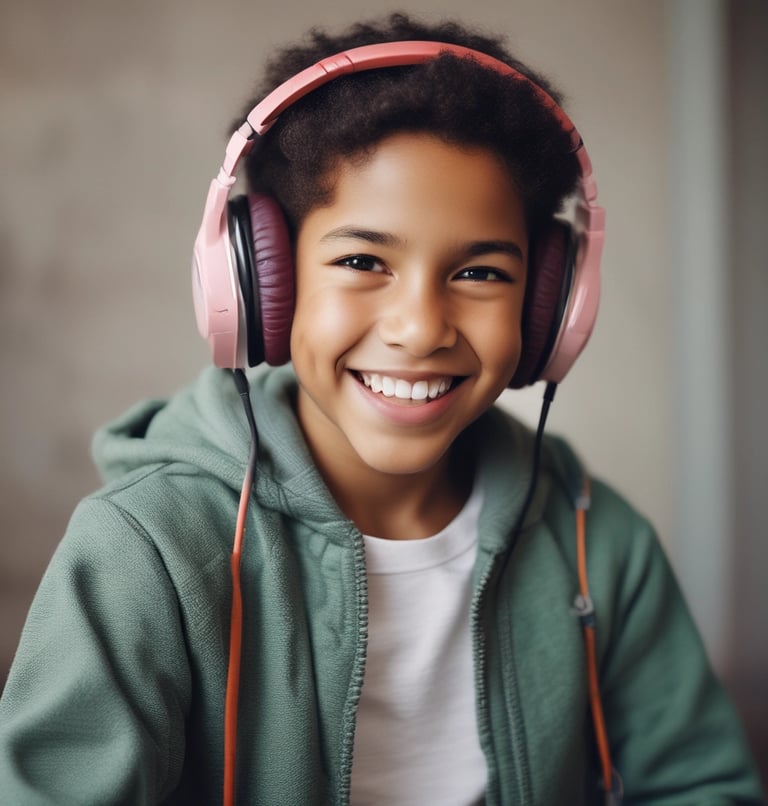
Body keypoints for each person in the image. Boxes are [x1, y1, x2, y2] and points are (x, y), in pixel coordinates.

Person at [0, 12, 762, 806]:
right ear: (264, 285)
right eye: (363, 261)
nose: (421, 327)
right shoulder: (143, 553)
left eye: (482, 274)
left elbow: (702, 787)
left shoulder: (597, 543)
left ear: (551, 305)